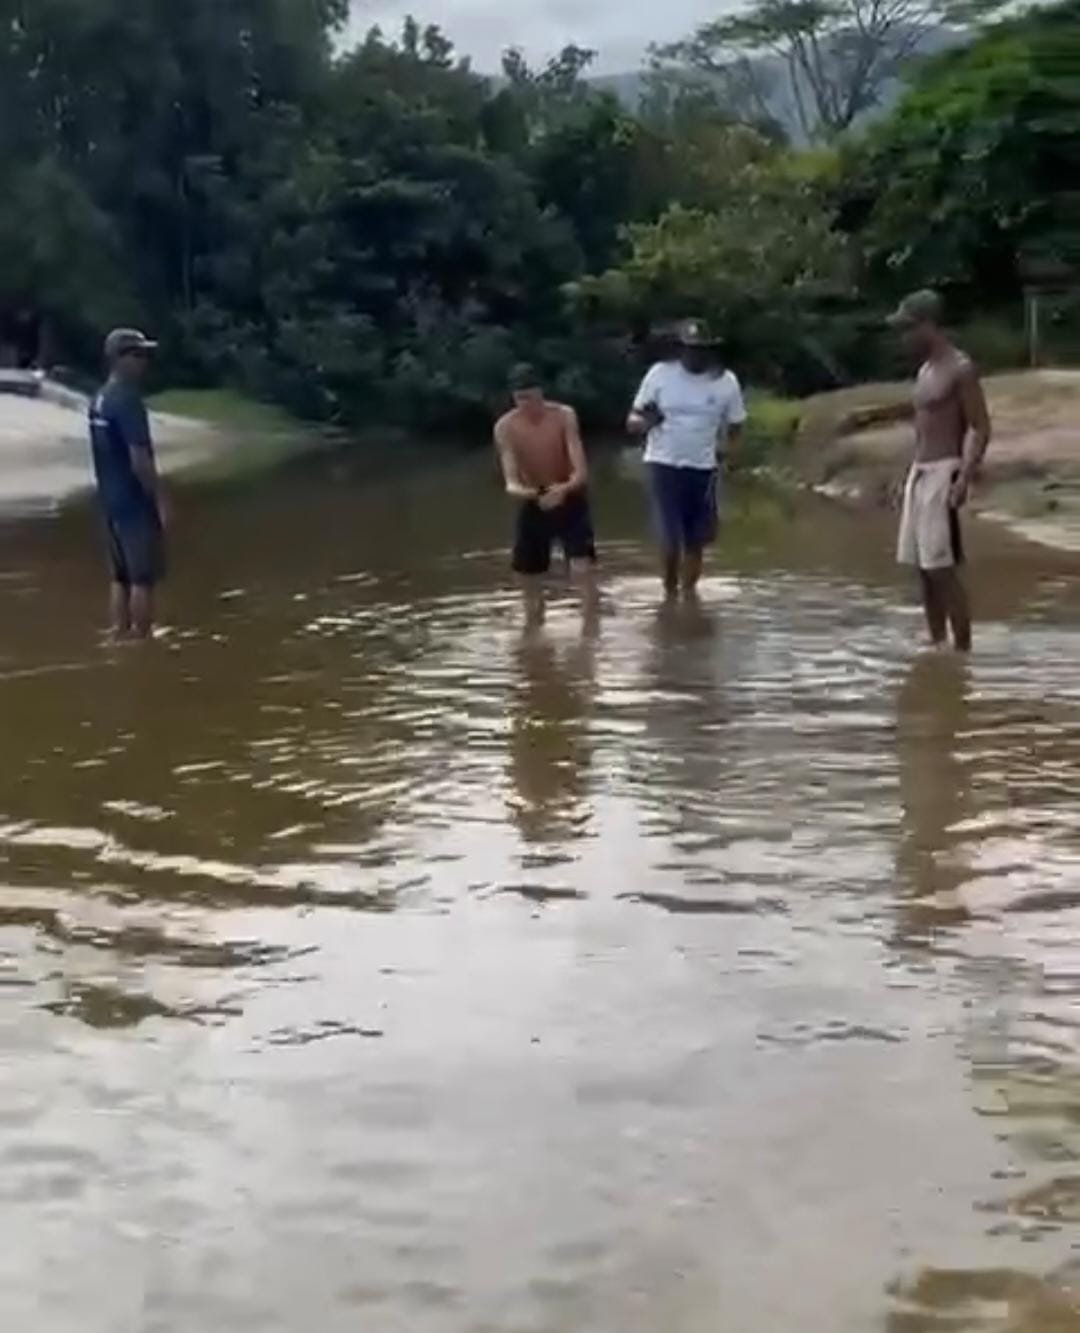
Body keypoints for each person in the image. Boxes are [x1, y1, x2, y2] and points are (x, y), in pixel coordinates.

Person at [888, 290, 991, 653]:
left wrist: (963, 476)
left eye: (908, 329)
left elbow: (979, 426)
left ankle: (963, 652)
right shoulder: (925, 370)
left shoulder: (960, 368)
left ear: (928, 326)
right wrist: (909, 476)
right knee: (922, 567)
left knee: (942, 568)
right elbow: (922, 425)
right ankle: (936, 644)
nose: (904, 337)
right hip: (921, 470)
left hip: (944, 470)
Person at [627, 319, 746, 598]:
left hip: (703, 467)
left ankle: (689, 594)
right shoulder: (660, 374)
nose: (696, 355)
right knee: (670, 536)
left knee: (697, 539)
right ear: (680, 349)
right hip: (663, 463)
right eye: (691, 349)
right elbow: (632, 420)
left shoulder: (725, 382)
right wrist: (646, 422)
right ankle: (669, 593)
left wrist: (729, 452)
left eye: (702, 349)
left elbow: (736, 424)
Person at [494, 364, 597, 625]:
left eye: (531, 397)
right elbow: (511, 483)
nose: (526, 404)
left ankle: (590, 626)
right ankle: (534, 627)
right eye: (520, 398)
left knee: (582, 566)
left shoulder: (563, 415)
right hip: (533, 498)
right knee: (528, 576)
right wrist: (535, 494)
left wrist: (561, 490)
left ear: (541, 393)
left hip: (569, 492)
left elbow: (581, 471)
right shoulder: (506, 426)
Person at [88, 328, 168, 639]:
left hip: (109, 501)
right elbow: (139, 459)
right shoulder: (127, 400)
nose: (144, 362)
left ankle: (118, 635)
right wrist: (160, 499)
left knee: (119, 577)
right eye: (138, 354)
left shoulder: (99, 399)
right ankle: (142, 642)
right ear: (119, 358)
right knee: (141, 578)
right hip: (133, 502)